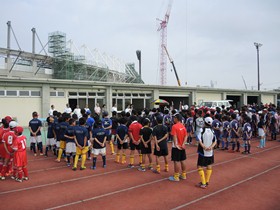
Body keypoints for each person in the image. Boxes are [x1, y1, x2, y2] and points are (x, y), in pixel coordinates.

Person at [196, 117, 217, 189]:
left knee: (199, 166)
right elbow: (215, 141)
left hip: (203, 152)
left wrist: (204, 147)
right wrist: (211, 147)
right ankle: (207, 181)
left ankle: (203, 182)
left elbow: (200, 140)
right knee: (209, 165)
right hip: (210, 152)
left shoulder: (201, 130)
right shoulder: (212, 131)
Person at [169, 113, 188, 182]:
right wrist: (183, 144)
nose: (173, 119)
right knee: (182, 160)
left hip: (176, 147)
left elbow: (174, 136)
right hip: (182, 146)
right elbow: (186, 136)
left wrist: (176, 144)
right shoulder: (183, 126)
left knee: (176, 161)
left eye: (174, 118)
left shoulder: (174, 126)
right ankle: (183, 175)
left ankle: (176, 176)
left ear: (177, 118)